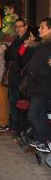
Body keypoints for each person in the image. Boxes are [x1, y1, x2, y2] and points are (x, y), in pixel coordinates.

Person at [25, 18, 51, 152]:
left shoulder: (49, 45)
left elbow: (47, 67)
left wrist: (36, 74)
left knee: (33, 114)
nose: (39, 30)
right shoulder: (42, 44)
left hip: (43, 86)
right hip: (36, 86)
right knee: (39, 114)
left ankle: (44, 140)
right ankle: (43, 140)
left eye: (42, 27)